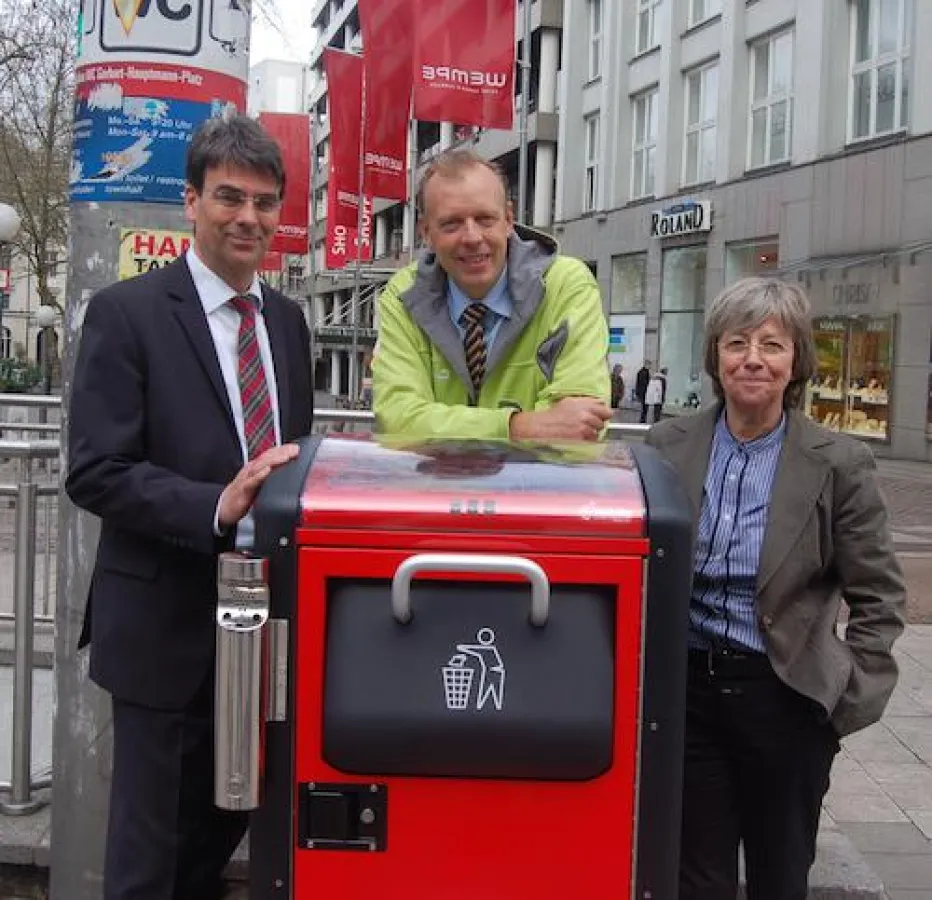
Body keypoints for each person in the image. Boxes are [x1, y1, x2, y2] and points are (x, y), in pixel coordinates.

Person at [66, 115, 314, 900]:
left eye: (265, 202)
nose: (248, 217)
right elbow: (95, 471)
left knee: (221, 841)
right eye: (229, 198)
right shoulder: (126, 313)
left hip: (266, 624)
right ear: (191, 202)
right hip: (164, 626)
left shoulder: (288, 321)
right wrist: (216, 503)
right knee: (149, 859)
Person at [646, 277, 905, 900]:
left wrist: (841, 706)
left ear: (797, 362)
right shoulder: (665, 447)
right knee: (695, 876)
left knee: (779, 875)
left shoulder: (837, 462)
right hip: (688, 697)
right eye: (737, 342)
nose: (753, 358)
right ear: (715, 356)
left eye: (772, 344)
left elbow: (880, 594)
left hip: (786, 697)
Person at [372, 149, 611, 441]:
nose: (472, 237)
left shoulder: (567, 285)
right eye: (451, 224)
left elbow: (581, 426)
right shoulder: (402, 295)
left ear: (509, 220)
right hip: (438, 485)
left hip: (537, 485)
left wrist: (441, 425)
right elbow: (397, 418)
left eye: (485, 219)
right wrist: (516, 426)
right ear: (426, 233)